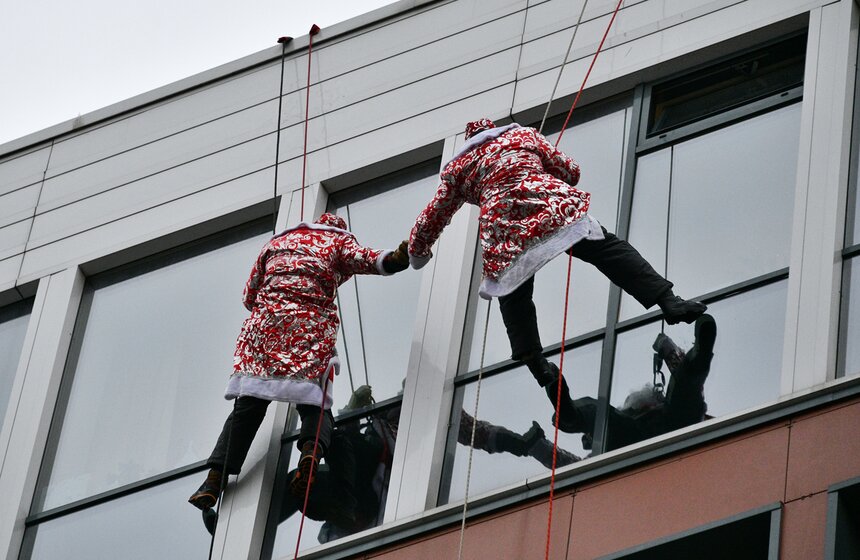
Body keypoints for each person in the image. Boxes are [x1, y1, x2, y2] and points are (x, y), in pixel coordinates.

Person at [407, 118, 706, 426]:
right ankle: (669, 300)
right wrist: (542, 167)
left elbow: (433, 216)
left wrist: (417, 251)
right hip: (551, 206)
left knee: (512, 296)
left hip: (505, 229)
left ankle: (536, 363)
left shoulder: (460, 168)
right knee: (608, 250)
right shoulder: (523, 134)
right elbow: (570, 171)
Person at [188, 213, 409, 511]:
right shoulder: (336, 240)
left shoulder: (275, 244)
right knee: (315, 404)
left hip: (265, 330)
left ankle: (213, 480)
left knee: (247, 409)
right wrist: (392, 259)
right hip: (307, 330)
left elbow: (249, 295)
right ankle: (310, 453)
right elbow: (364, 258)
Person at [558, 314, 717, 451]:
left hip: (652, 431)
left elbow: (684, 384)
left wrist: (667, 349)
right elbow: (684, 384)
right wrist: (667, 349)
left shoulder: (657, 412)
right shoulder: (635, 418)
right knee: (601, 416)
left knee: (684, 390)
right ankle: (570, 414)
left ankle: (571, 415)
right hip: (647, 433)